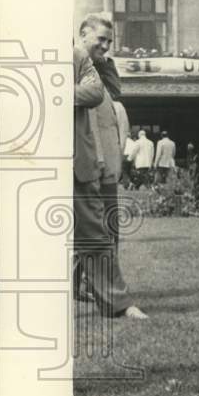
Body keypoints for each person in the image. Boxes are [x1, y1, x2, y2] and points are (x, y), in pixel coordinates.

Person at [72, 25, 147, 321]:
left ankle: (118, 303)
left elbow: (95, 92)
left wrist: (49, 93)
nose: (105, 46)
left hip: (80, 162)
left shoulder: (78, 57)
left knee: (96, 236)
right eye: (100, 39)